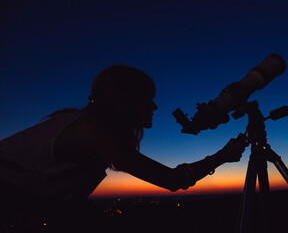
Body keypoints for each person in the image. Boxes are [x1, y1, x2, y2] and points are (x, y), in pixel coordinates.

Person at [0, 65, 245, 231]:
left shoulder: (87, 127)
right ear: (124, 101)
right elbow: (172, 179)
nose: (154, 107)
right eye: (147, 99)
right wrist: (222, 156)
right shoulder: (93, 133)